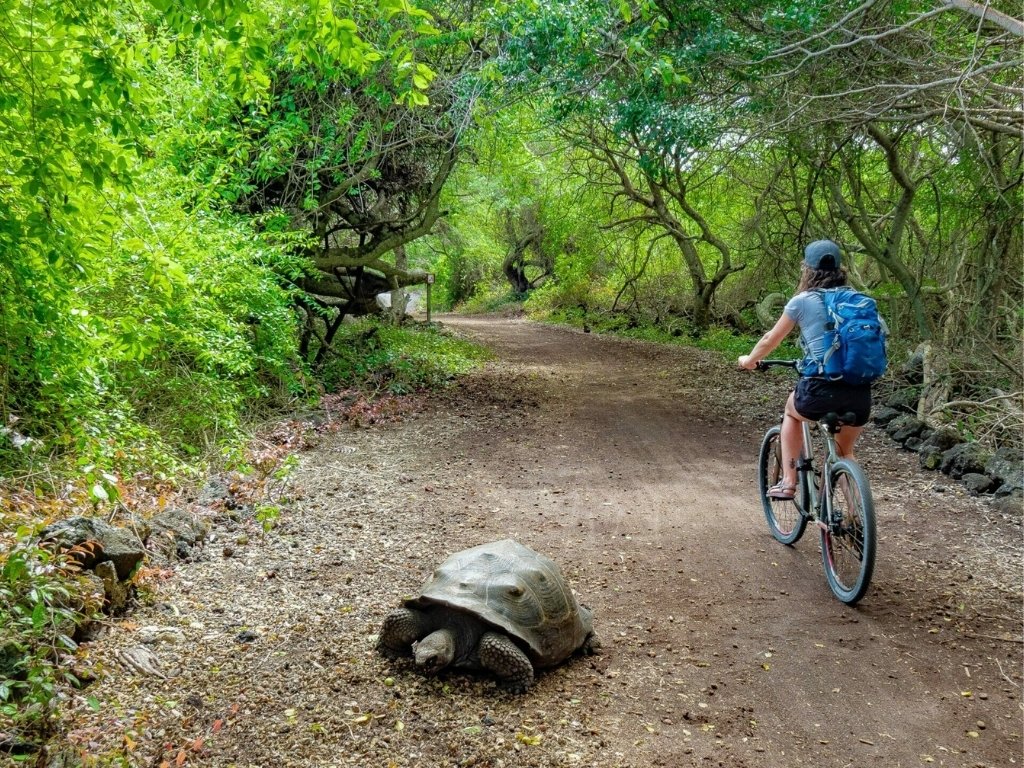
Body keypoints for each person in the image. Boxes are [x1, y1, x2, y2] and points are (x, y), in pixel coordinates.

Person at [737, 240, 873, 500]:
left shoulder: (802, 301)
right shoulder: (860, 301)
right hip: (859, 392)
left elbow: (770, 339)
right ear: (840, 270)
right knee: (845, 452)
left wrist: (749, 361)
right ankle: (857, 513)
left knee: (792, 412)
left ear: (807, 270)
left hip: (820, 389)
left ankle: (788, 482)